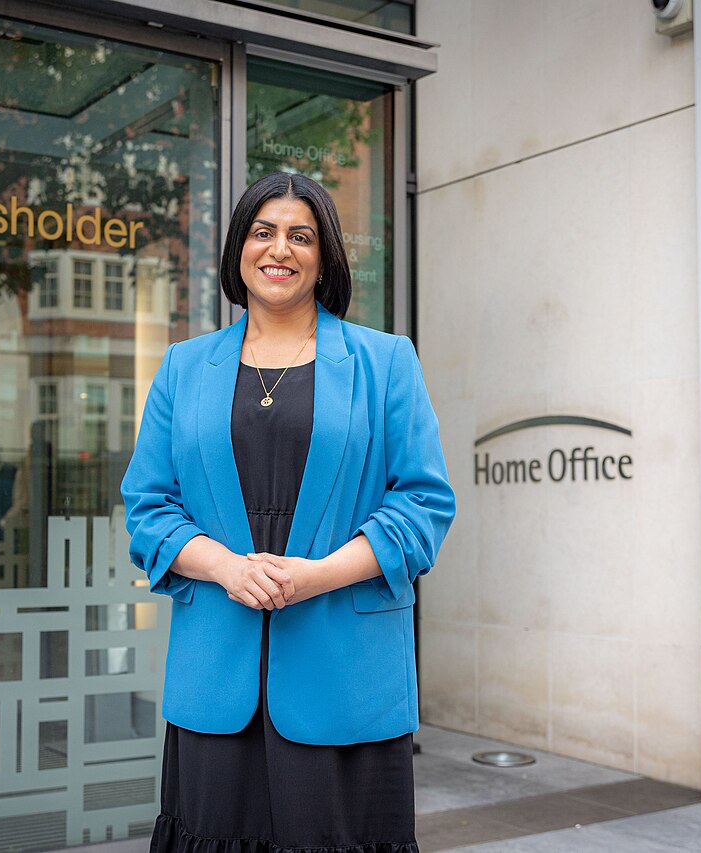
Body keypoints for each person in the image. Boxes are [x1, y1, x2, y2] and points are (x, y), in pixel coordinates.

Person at [121, 172, 456, 852]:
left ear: (325, 255)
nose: (280, 249)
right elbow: (147, 506)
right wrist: (222, 566)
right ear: (239, 249)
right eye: (263, 231)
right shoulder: (184, 367)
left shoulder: (386, 361)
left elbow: (423, 503)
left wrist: (320, 574)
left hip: (346, 673)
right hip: (217, 670)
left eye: (301, 235)